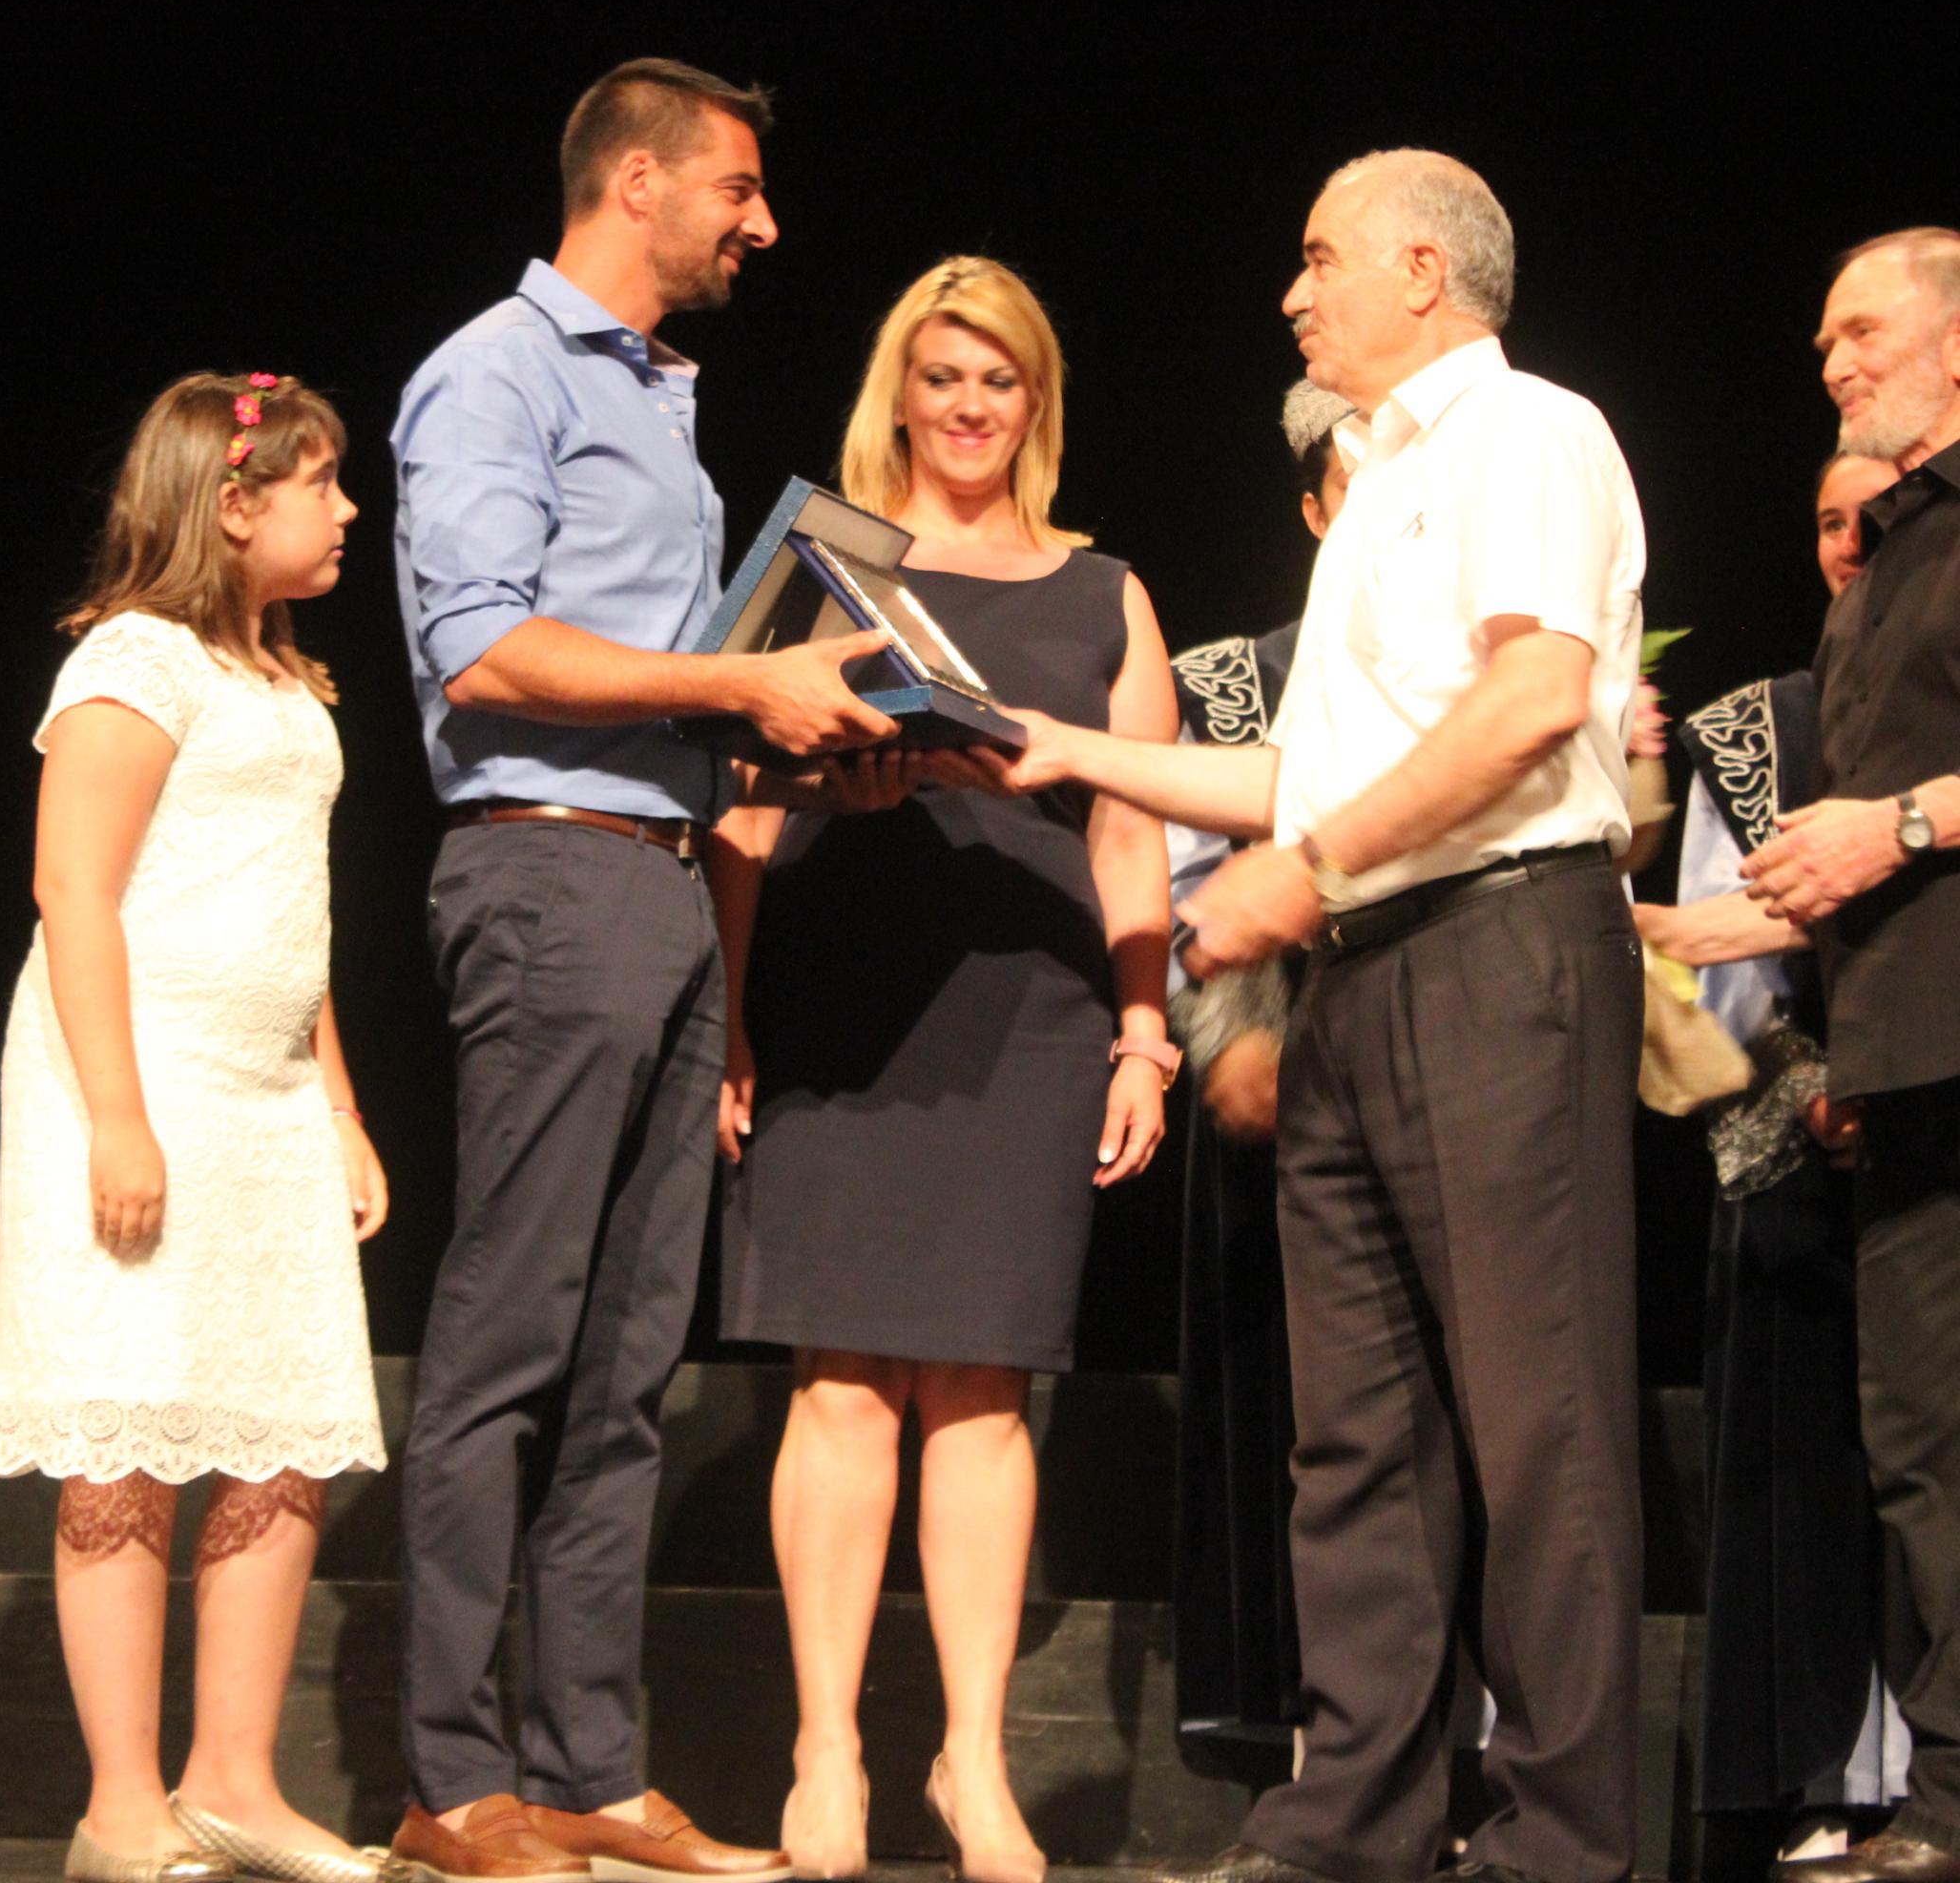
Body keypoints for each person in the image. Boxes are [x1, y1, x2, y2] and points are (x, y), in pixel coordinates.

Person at [950, 150, 1651, 1883]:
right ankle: (1355, 1821)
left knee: (1537, 1423)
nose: (1293, 292)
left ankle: (1561, 1841)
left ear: (1423, 271)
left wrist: (1313, 868)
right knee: (1358, 1434)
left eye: (1321, 258)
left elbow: (1533, 700)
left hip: (1501, 952)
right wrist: (1070, 750)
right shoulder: (1376, 480)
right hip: (1365, 968)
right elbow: (1302, 773)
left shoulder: (1526, 435)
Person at [387, 58, 891, 1883]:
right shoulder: (497, 372)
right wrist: (737, 684)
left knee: (626, 1364)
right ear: (639, 180)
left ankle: (587, 1769)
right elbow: (482, 652)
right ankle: (453, 1782)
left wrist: (808, 733)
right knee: (509, 1339)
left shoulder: (658, 399)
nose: (765, 223)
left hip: (666, 884)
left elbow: (664, 685)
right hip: (548, 874)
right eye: (738, 188)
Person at [706, 255, 1178, 1883]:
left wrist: (1143, 1028)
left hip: (1032, 1012)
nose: (970, 407)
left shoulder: (1104, 590)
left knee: (985, 1388)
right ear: (897, 394)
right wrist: (727, 1016)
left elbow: (1135, 828)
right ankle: (825, 1753)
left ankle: (972, 1764)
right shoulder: (827, 565)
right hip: (842, 994)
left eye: (1000, 380)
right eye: (942, 377)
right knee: (839, 1382)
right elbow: (738, 807)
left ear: (1036, 401)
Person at [0, 373, 393, 1883]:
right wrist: (117, 1119)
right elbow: (73, 890)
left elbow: (295, 916)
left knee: (280, 1435)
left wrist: (338, 1104)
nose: (347, 509)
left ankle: (234, 1785)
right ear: (231, 502)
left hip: (266, 1095)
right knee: (131, 1432)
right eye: (320, 482)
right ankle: (122, 1808)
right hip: (139, 1076)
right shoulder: (135, 660)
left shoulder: (283, 680)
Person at [1637, 449, 1913, 1864]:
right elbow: (1702, 990)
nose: (1851, 542)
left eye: (1878, 515)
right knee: (1811, 1475)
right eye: (1826, 520)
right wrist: (1814, 1088)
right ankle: (1821, 1779)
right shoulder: (1754, 736)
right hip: (1802, 1166)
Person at [1727, 227, 1960, 1883]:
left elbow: (1899, 822)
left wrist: (1902, 824)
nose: (1832, 359)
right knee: (1924, 1439)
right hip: (1907, 1057)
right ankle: (1951, 1794)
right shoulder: (1887, 554)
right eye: (1822, 338)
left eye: (1862, 329)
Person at [1163, 379, 1342, 1747]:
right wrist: (1232, 1035)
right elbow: (1178, 882)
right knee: (1286, 1414)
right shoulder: (1227, 685)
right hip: (1274, 1096)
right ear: (1316, 510)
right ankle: (1289, 1723)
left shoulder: (1491, 673)